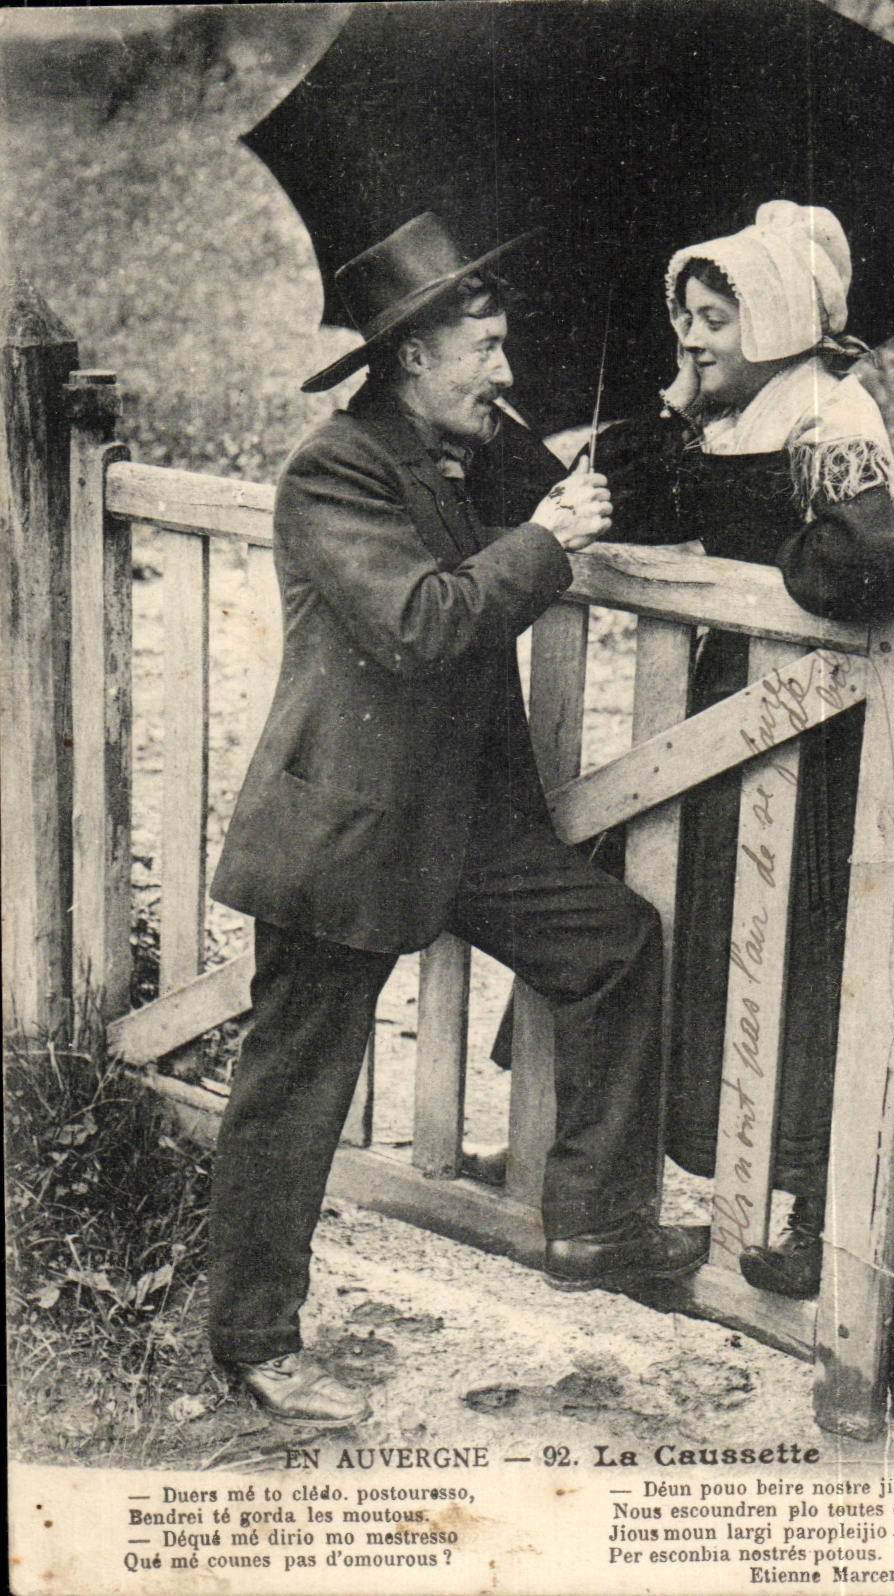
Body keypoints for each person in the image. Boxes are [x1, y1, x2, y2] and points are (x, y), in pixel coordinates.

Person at [207, 213, 708, 1426]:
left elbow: (585, 502)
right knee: (294, 1090)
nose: (504, 371)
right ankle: (255, 1339)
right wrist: (542, 537)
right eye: (483, 347)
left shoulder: (462, 449)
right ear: (413, 354)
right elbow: (424, 621)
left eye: (503, 347)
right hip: (348, 828)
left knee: (609, 941)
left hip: (454, 822)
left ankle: (591, 1224)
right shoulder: (333, 468)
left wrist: (678, 423)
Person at [595, 200, 894, 1299]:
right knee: (675, 913)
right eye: (682, 317)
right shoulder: (732, 410)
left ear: (777, 321)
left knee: (807, 954)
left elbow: (864, 567)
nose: (688, 338)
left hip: (820, 732)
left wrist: (756, 544)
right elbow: (622, 497)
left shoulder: (831, 416)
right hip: (731, 710)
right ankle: (622, 1165)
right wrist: (679, 403)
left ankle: (816, 1217)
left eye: (712, 324)